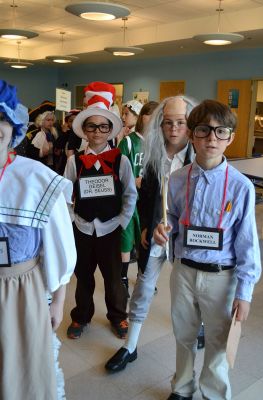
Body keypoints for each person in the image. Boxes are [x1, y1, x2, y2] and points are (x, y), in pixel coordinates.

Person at [153, 99, 262, 400]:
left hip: (221, 277)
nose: (212, 138)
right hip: (185, 271)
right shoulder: (176, 179)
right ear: (191, 134)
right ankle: (182, 386)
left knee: (217, 340)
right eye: (203, 130)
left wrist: (245, 291)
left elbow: (247, 242)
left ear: (231, 137)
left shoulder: (241, 187)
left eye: (220, 131)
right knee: (184, 335)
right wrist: (164, 228)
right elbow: (172, 215)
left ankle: (214, 393)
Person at [105, 95, 196, 372]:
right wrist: (146, 224)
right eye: (168, 122)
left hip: (189, 237)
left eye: (181, 122)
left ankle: (197, 332)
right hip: (156, 233)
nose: (174, 129)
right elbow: (146, 196)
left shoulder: (199, 157)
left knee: (191, 293)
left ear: (191, 124)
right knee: (143, 289)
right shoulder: (156, 155)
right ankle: (130, 346)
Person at [0, 79, 76, 400]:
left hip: (19, 291)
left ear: (11, 136)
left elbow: (59, 246)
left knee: (21, 368)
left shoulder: (36, 179)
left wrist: (57, 300)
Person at [65, 81, 137, 340]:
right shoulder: (74, 161)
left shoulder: (122, 160)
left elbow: (130, 193)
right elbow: (65, 195)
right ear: (84, 130)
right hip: (83, 227)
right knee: (83, 277)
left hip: (110, 228)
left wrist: (121, 221)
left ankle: (118, 316)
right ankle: (81, 316)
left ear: (110, 130)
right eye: (92, 126)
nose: (97, 131)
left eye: (103, 126)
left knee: (114, 278)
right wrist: (72, 218)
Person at [118, 101, 159, 295]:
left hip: (148, 200)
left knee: (145, 240)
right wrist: (133, 180)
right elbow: (117, 171)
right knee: (126, 239)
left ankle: (144, 275)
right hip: (130, 198)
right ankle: (123, 277)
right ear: (142, 116)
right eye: (149, 115)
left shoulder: (158, 144)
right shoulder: (128, 141)